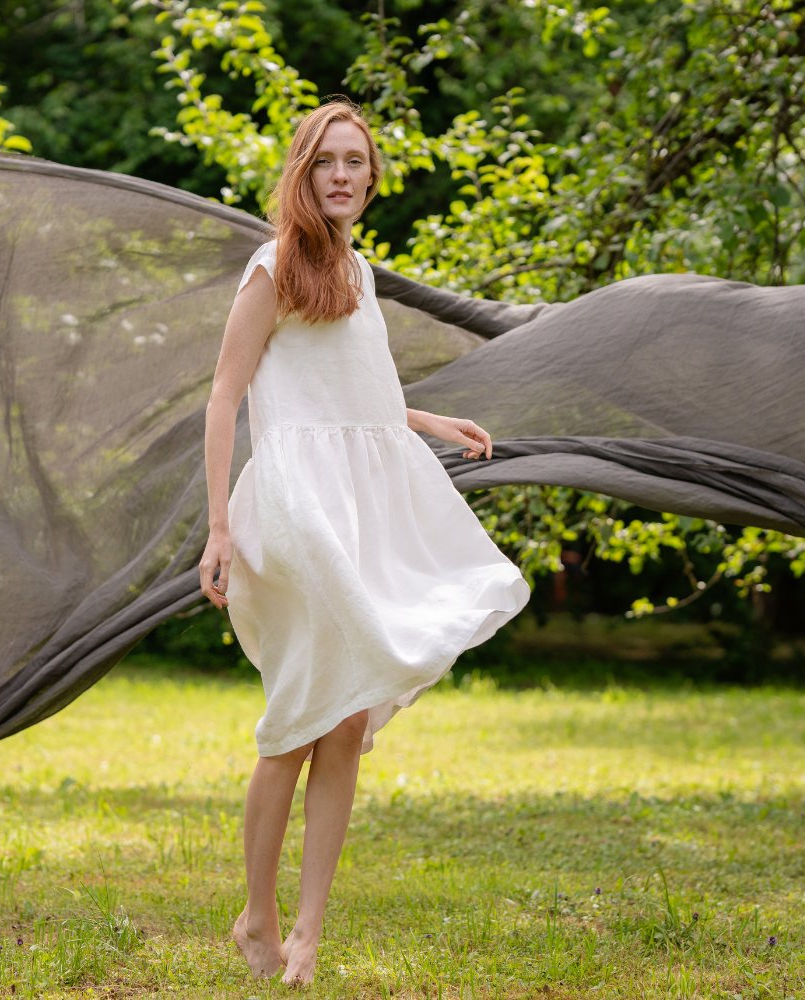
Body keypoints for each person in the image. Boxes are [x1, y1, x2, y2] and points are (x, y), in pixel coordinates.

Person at [198, 97, 529, 985]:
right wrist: (219, 525)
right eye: (325, 162)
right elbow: (227, 395)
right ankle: (256, 912)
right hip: (298, 508)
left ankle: (307, 931)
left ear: (371, 177)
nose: (341, 175)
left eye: (354, 161)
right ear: (301, 174)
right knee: (300, 718)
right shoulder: (271, 267)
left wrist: (430, 419)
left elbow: (358, 395)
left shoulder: (357, 268)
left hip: (358, 501)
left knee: (344, 721)